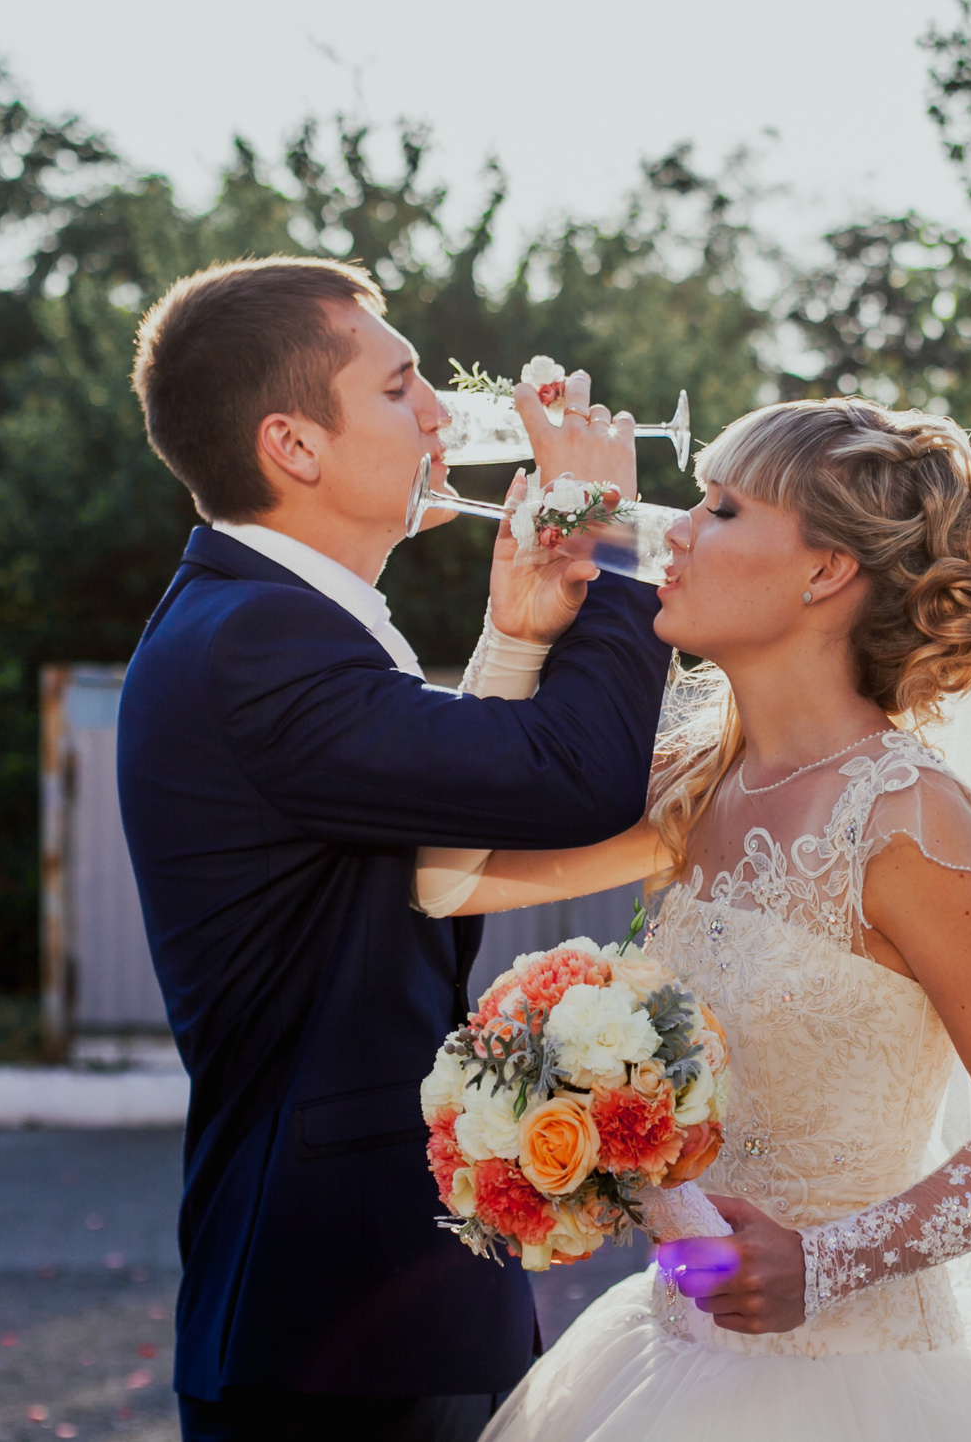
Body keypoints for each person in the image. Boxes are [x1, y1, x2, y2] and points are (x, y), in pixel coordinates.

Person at [425, 398, 971, 1442]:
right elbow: (449, 875)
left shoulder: (908, 818)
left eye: (719, 509)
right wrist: (514, 636)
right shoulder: (692, 784)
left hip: (867, 1389)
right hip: (674, 1370)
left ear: (824, 573)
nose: (673, 528)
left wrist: (823, 1263)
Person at [116, 256, 672, 1442]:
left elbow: (437, 858)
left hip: (343, 1320)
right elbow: (572, 779)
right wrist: (610, 535)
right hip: (345, 1328)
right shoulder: (256, 640)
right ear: (293, 446)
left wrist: (513, 636)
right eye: (399, 385)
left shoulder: (253, 623)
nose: (440, 415)